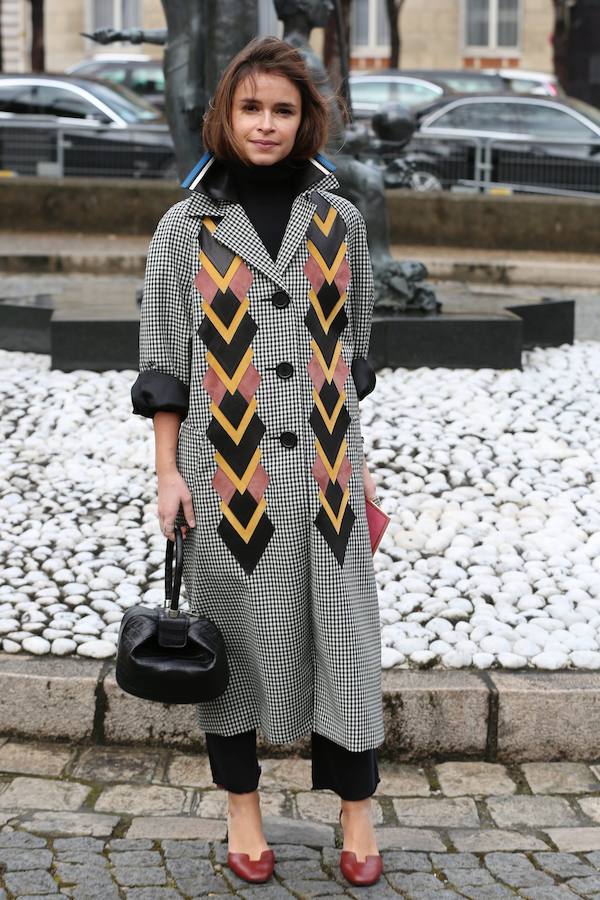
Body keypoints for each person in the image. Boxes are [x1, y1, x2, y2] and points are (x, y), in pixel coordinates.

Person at [130, 35, 385, 888]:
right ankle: (243, 811)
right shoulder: (185, 227)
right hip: (226, 472)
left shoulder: (340, 219)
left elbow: (353, 354)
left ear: (306, 118)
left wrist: (361, 467)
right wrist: (167, 474)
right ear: (224, 117)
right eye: (250, 108)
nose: (266, 124)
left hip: (324, 473)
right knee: (234, 647)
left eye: (283, 109)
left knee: (347, 645)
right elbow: (164, 360)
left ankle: (358, 811)